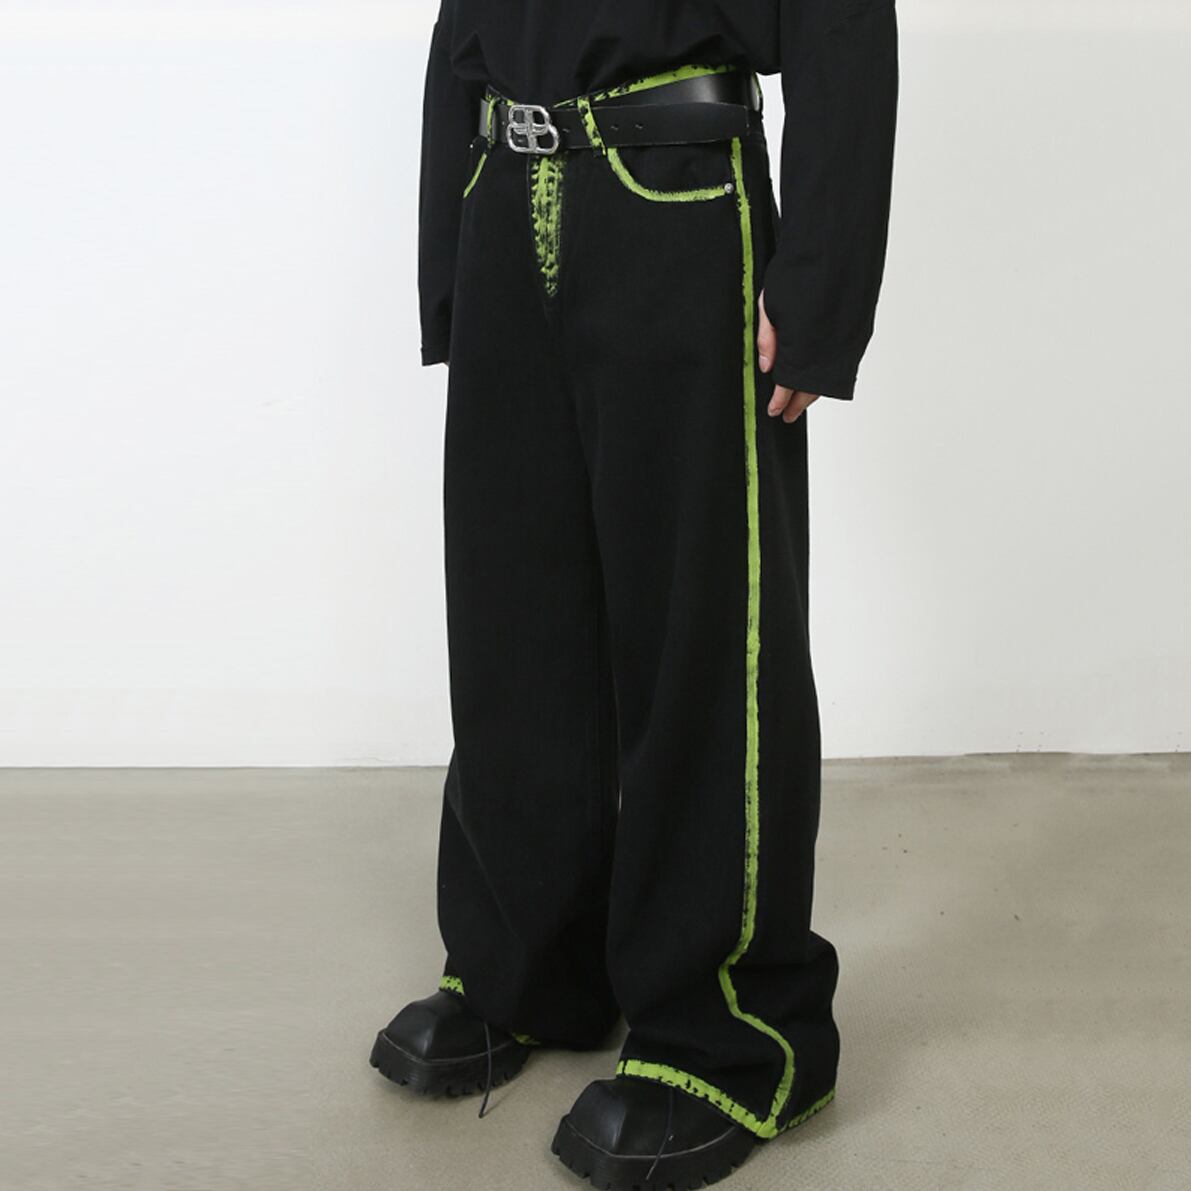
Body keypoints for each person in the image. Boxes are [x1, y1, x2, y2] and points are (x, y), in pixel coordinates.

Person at [370, 1, 898, 1186]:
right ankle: (526, 969)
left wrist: (820, 287)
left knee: (700, 634)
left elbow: (844, 20)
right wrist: (451, 251)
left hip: (678, 193)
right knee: (515, 618)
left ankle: (733, 1031)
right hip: (505, 179)